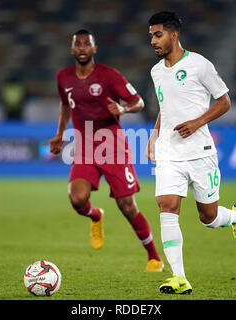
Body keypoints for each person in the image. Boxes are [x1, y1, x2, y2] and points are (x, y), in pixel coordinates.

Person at [146, 11, 236, 294]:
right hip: (169, 153)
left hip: (201, 152)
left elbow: (224, 101)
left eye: (158, 35)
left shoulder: (199, 65)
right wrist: (154, 137)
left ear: (173, 34)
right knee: (167, 206)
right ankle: (179, 278)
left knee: (209, 217)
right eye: (151, 36)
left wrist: (197, 122)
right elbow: (164, 109)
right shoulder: (156, 71)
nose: (153, 41)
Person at [44, 29, 164, 272]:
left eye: (86, 44)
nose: (81, 48)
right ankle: (95, 215)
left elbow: (138, 102)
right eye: (77, 44)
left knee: (127, 206)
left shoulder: (109, 76)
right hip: (85, 147)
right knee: (77, 199)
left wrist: (123, 110)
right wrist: (60, 133)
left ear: (94, 49)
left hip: (112, 147)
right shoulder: (63, 77)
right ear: (72, 49)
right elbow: (65, 105)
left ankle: (154, 257)